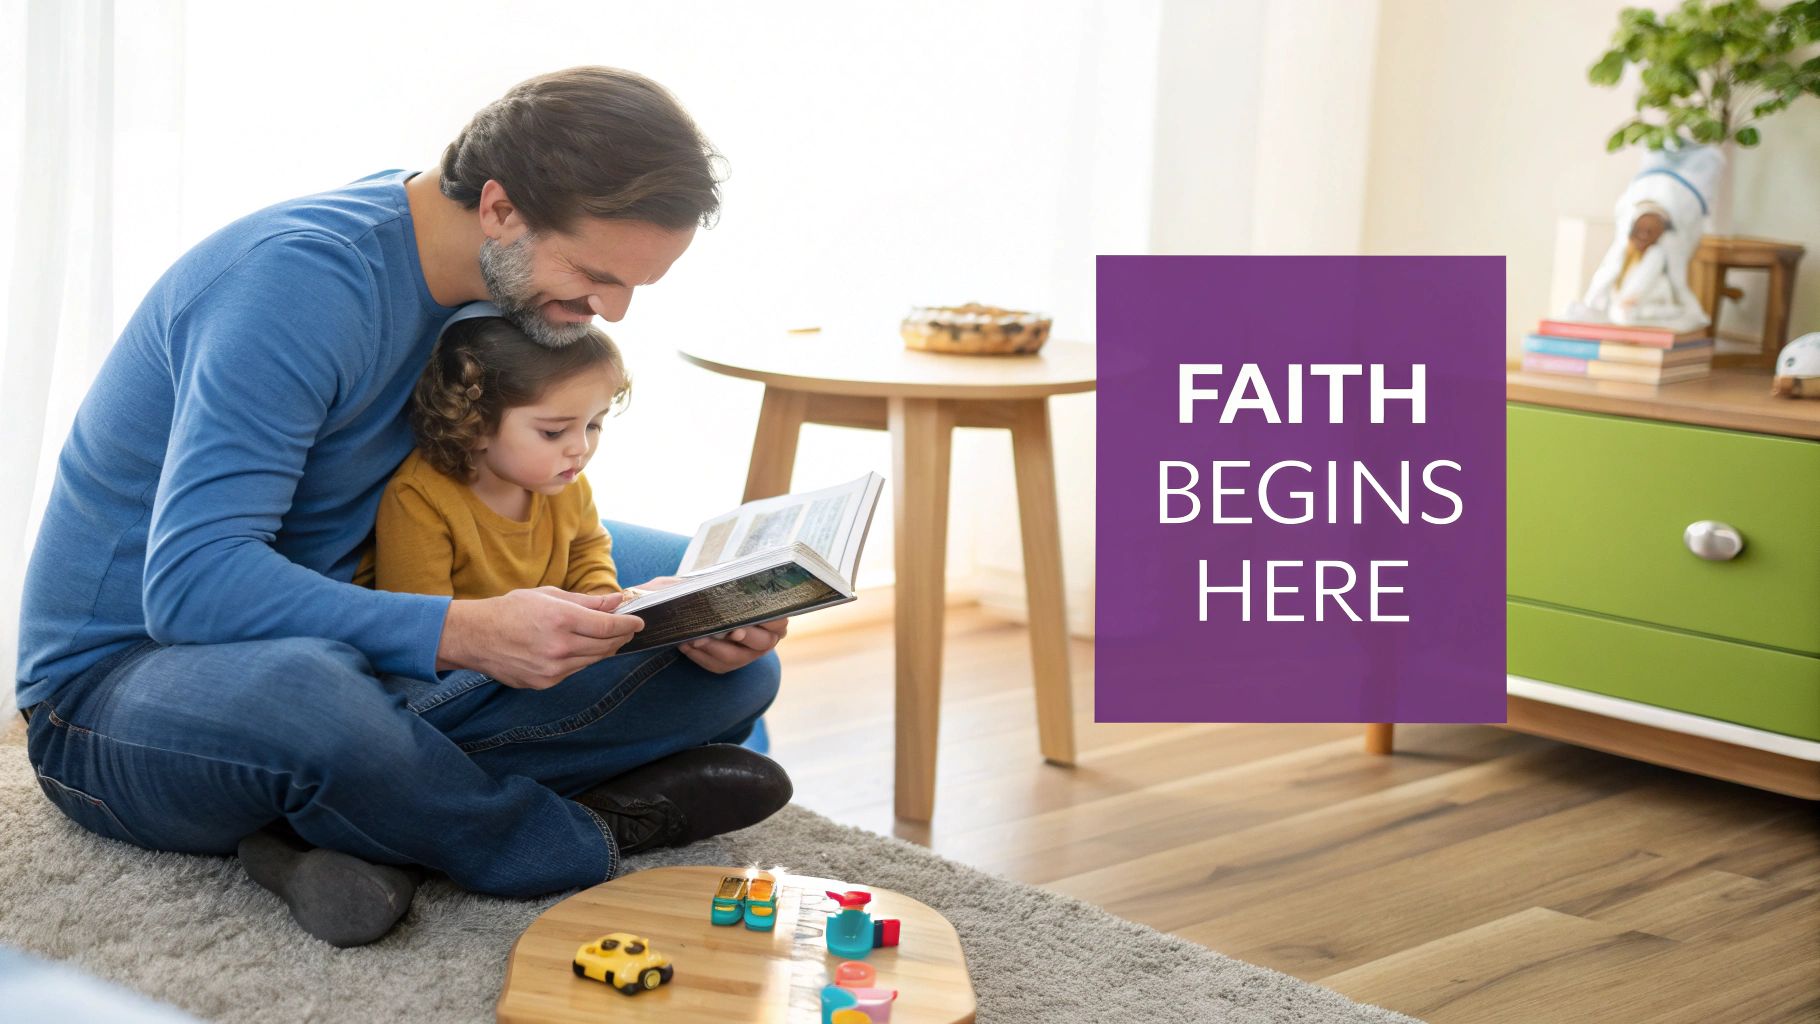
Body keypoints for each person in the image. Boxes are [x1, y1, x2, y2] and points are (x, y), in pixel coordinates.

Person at [15, 67, 793, 948]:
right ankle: (567, 837)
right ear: (499, 208)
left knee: (711, 623)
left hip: (352, 594)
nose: (607, 311)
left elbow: (493, 487)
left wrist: (701, 605)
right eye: (594, 273)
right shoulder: (297, 286)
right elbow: (193, 588)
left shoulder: (488, 285)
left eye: (633, 288)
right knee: (312, 702)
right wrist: (464, 631)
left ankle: (341, 823)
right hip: (121, 686)